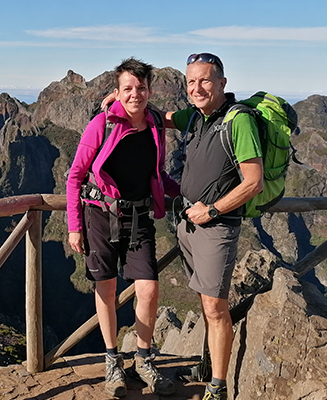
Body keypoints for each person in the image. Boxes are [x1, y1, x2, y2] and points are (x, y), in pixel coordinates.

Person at [101, 53, 263, 400]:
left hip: (215, 226)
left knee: (215, 308)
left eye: (205, 80)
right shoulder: (197, 117)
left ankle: (216, 388)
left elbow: (253, 182)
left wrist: (213, 210)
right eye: (191, 82)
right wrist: (124, 97)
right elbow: (160, 118)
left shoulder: (239, 121)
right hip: (188, 223)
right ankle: (208, 369)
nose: (197, 87)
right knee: (206, 303)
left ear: (222, 82)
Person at [66, 57, 179, 398]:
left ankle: (143, 359)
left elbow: (159, 174)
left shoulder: (156, 125)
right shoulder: (101, 125)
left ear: (150, 91)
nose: (135, 94)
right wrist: (74, 227)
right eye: (127, 88)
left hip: (139, 216)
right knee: (107, 289)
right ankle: (113, 359)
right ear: (116, 92)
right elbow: (74, 176)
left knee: (147, 288)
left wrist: (187, 193)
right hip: (99, 216)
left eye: (141, 88)